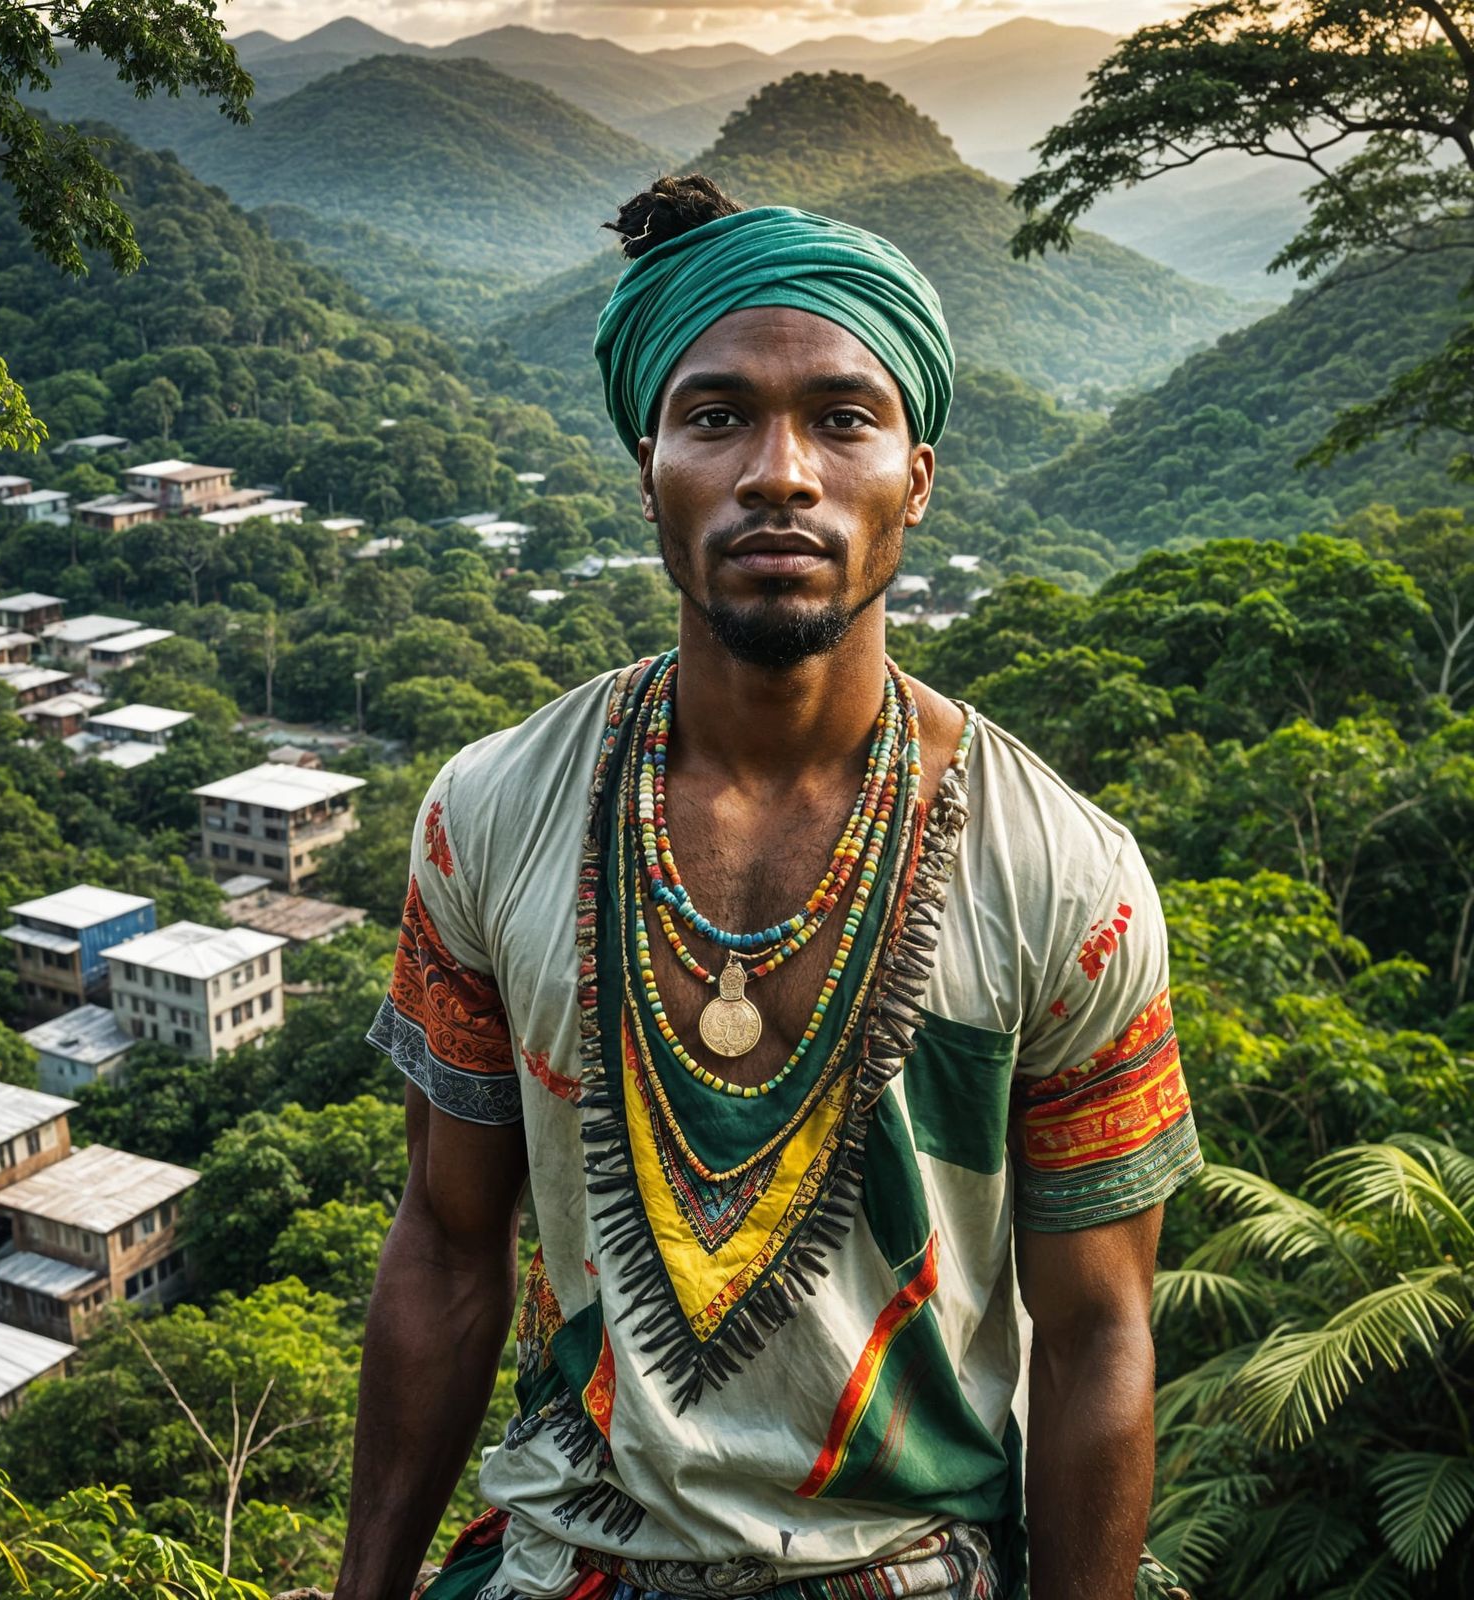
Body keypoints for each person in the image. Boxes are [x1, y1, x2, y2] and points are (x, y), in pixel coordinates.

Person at [331, 175, 1202, 1600]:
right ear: (649, 462)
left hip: (910, 1568)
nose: (780, 471)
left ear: (916, 474)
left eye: (844, 419)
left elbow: (1101, 1329)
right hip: (570, 1560)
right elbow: (443, 1239)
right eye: (718, 415)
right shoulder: (487, 816)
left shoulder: (1066, 876)